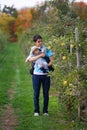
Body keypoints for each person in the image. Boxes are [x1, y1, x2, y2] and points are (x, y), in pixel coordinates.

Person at [25, 34, 53, 116]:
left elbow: (51, 60)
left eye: (41, 41)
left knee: (46, 93)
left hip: (46, 74)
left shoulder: (47, 49)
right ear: (35, 43)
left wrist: (47, 66)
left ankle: (45, 111)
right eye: (38, 41)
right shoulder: (33, 50)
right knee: (36, 93)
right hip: (36, 75)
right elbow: (30, 59)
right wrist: (40, 55)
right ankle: (36, 111)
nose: (40, 43)